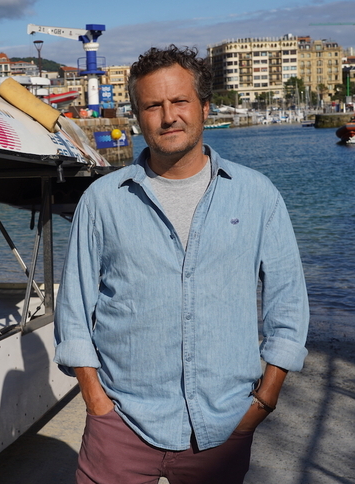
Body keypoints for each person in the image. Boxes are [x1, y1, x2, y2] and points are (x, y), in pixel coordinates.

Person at [54, 45, 309, 484]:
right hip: (122, 424)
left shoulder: (257, 195)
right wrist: (98, 403)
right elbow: (74, 310)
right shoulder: (103, 200)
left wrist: (263, 402)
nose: (168, 116)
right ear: (137, 116)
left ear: (204, 108)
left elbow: (287, 305)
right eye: (153, 105)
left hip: (223, 424)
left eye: (179, 101)